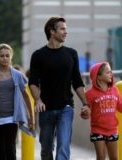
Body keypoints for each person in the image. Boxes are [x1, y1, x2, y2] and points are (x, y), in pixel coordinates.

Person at [29, 16, 90, 160]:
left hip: (66, 107)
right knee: (46, 149)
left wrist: (86, 103)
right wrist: (38, 100)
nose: (65, 32)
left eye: (66, 29)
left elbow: (77, 81)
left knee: (63, 146)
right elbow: (33, 82)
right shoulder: (38, 56)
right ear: (52, 31)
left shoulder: (71, 54)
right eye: (62, 29)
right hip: (45, 109)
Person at [0, 43, 35, 160]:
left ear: (11, 57)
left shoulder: (18, 75)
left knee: (10, 150)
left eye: (7, 56)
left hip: (12, 117)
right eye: (2, 56)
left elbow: (27, 97)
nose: (5, 58)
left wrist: (32, 118)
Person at [81, 62, 122, 160]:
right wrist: (85, 113)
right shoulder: (90, 94)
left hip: (112, 130)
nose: (111, 74)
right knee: (101, 157)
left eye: (111, 72)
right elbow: (85, 113)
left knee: (114, 158)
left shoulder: (115, 90)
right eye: (108, 72)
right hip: (97, 131)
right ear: (98, 76)